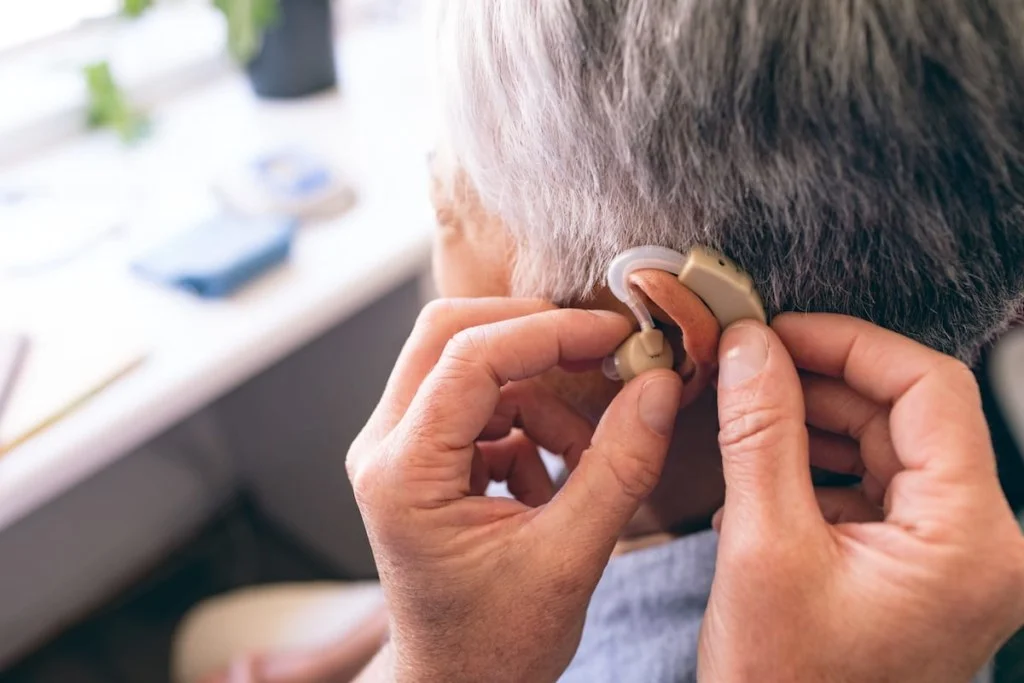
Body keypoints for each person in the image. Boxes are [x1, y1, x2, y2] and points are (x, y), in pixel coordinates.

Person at [181, 0, 1024, 680]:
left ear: (661, 326)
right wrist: (371, 642)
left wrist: (421, 668)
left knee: (200, 637)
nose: (437, 237)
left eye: (446, 202)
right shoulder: (940, 526)